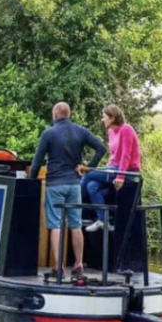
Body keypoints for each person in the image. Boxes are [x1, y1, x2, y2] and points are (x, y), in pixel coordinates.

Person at [30, 102, 107, 277]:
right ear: (68, 114)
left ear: (55, 115)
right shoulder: (80, 131)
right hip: (74, 184)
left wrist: (31, 181)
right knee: (76, 224)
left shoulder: (48, 133)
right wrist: (87, 168)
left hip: (55, 184)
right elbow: (101, 148)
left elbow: (37, 162)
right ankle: (79, 264)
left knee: (56, 224)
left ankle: (59, 267)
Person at [81, 104, 141, 233]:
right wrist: (107, 167)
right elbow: (114, 155)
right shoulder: (110, 131)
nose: (103, 120)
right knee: (92, 186)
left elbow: (126, 155)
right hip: (113, 167)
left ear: (112, 117)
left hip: (127, 171)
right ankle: (103, 221)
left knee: (89, 173)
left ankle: (75, 203)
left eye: (104, 117)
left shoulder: (126, 129)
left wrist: (120, 177)